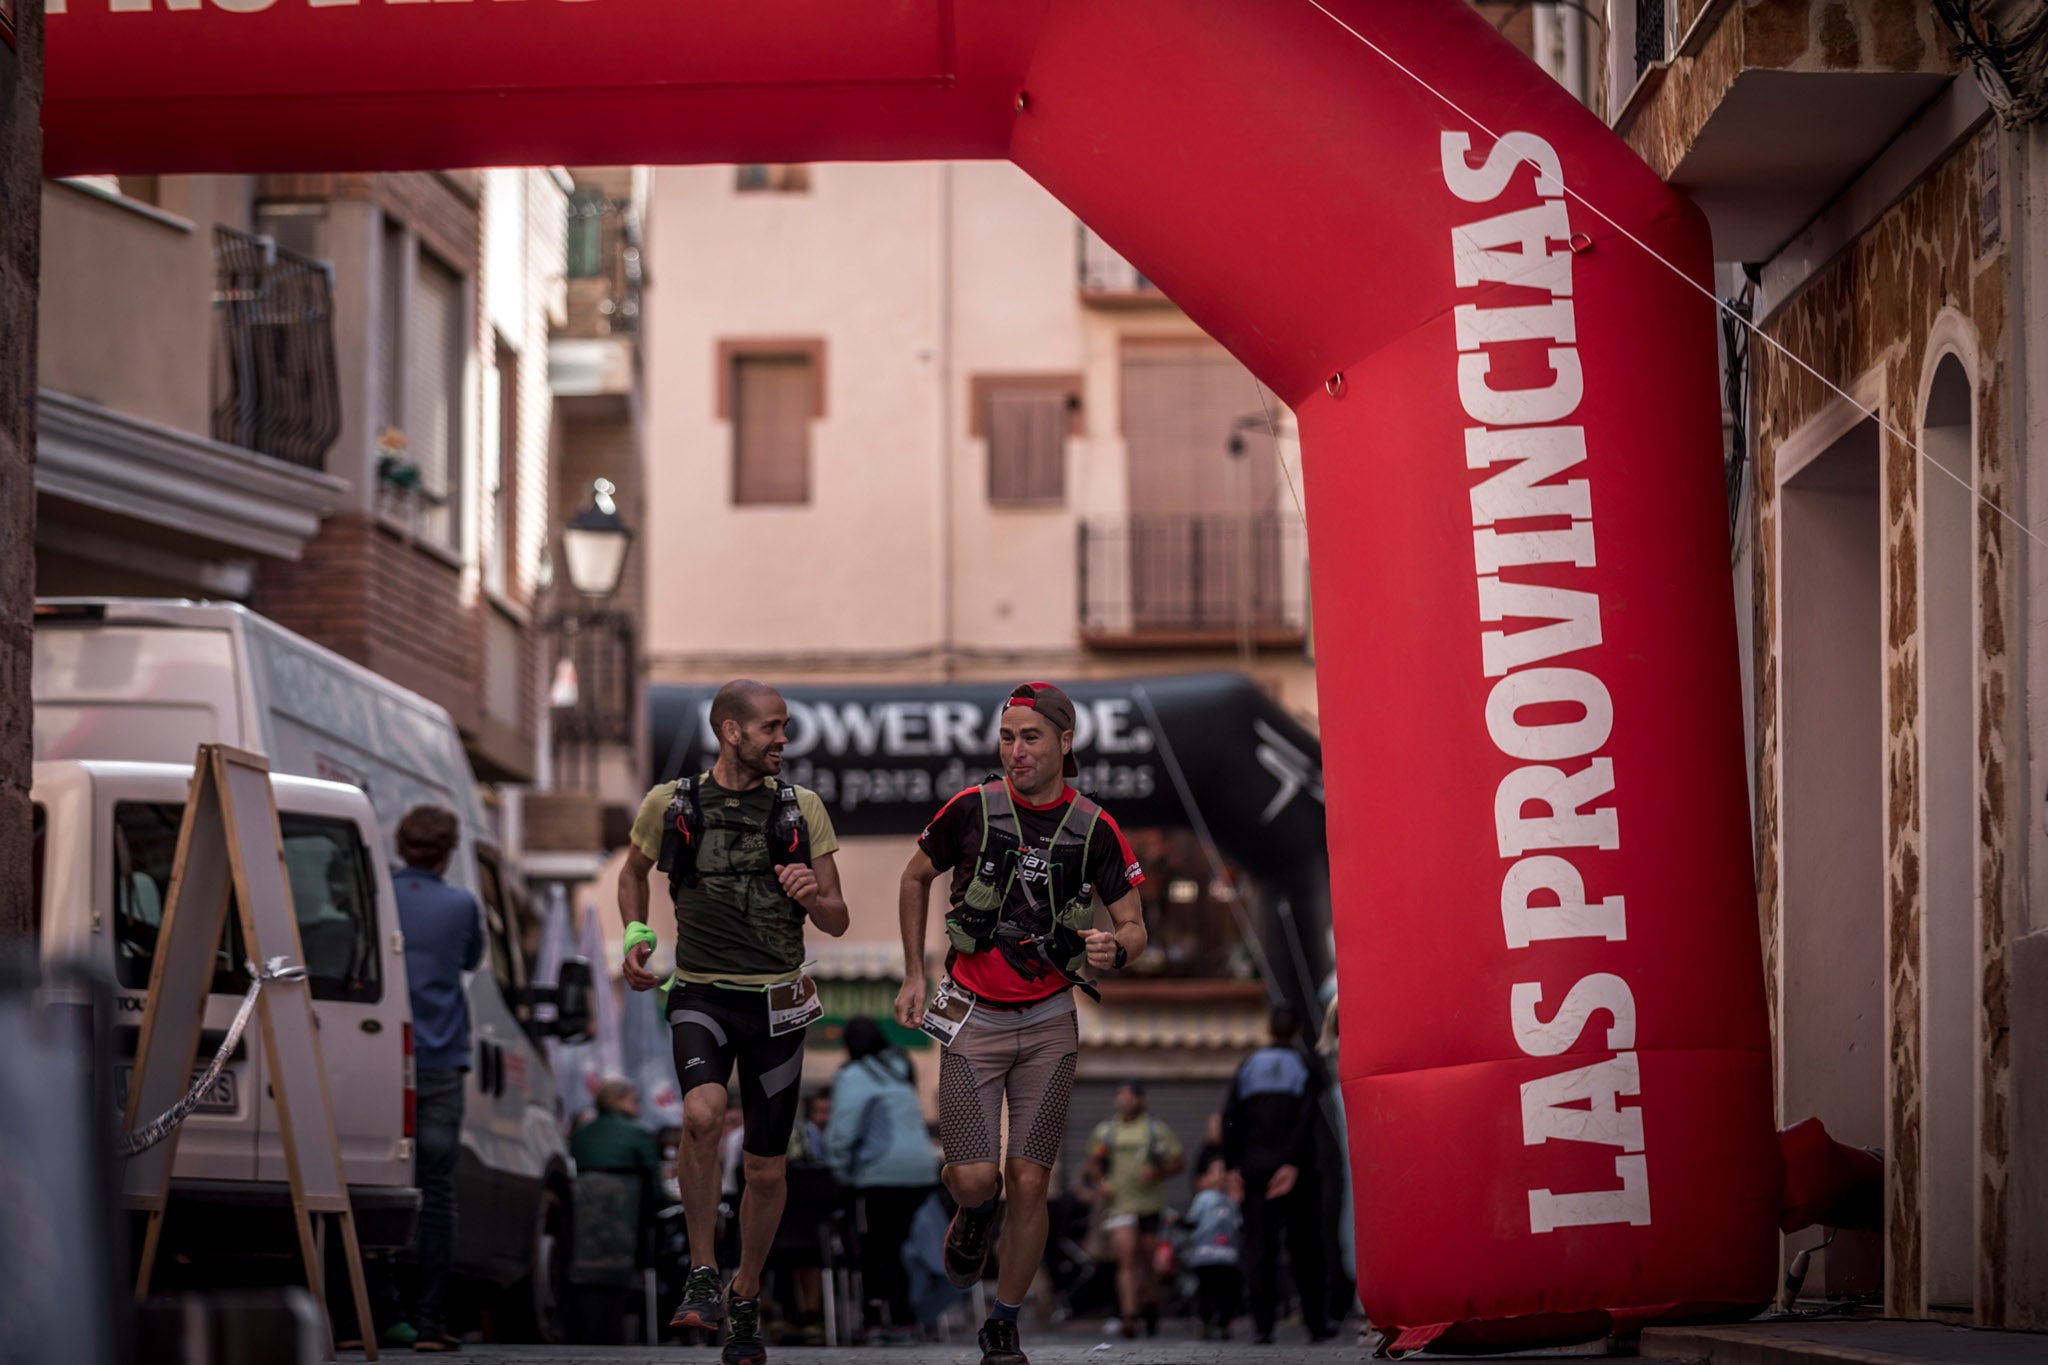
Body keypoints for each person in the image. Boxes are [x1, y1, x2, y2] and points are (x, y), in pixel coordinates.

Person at [895, 681, 1149, 1365]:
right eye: (1007, 737)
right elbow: (913, 876)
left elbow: (1134, 925)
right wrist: (916, 972)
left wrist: (1114, 946)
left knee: (1031, 1179)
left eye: (1030, 736)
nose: (1016, 750)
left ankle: (1003, 1322)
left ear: (1065, 741)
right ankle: (975, 1215)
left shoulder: (1097, 826)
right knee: (976, 1176)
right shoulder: (971, 808)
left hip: (1049, 1023)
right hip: (970, 1015)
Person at [619, 680, 849, 1365]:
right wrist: (635, 931)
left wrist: (815, 894)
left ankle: (746, 1295)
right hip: (700, 992)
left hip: (778, 1002)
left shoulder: (802, 808)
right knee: (701, 1113)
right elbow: (632, 872)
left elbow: (839, 916)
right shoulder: (672, 802)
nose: (783, 739)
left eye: (784, 728)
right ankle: (702, 1271)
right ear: (731, 731)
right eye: (772, 728)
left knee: (767, 1168)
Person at [391, 804, 483, 1354]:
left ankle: (370, 1313)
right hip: (441, 1060)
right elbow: (471, 959)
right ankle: (429, 1324)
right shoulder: (461, 905)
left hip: (377, 1059)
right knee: (438, 1193)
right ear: (448, 852)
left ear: (401, 845)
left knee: (369, 1184)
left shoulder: (377, 896)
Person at [1223, 1004, 1334, 1345]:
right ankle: (1316, 1325)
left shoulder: (1248, 1066)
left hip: (1254, 1171)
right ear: (1298, 1031)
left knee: (1259, 1250)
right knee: (1306, 1249)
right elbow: (1306, 1122)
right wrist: (1291, 1163)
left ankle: (1262, 1326)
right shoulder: (1305, 1067)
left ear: (1269, 1030)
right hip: (1295, 1172)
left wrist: (1232, 1168)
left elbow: (1231, 1118)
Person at [826, 1016, 940, 1342]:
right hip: (921, 1172)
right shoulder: (901, 1066)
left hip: (880, 1175)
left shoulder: (853, 1075)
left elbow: (843, 1132)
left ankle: (874, 1320)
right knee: (902, 1247)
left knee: (875, 1248)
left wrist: (841, 1172)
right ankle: (906, 1318)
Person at [568, 1079, 671, 1343]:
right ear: (621, 1101)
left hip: (581, 1226)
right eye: (634, 1100)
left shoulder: (580, 1133)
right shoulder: (638, 1133)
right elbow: (657, 1191)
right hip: (626, 1222)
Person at [1085, 1081, 1184, 1338]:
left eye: (1129, 1096)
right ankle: (1128, 1316)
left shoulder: (1155, 1130)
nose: (1124, 1101)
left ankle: (1150, 1306)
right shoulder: (1107, 1131)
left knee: (1148, 1262)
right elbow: (1094, 1163)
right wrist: (1101, 1182)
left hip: (1150, 1204)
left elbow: (1177, 1161)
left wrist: (1158, 1171)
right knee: (1126, 1259)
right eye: (1120, 1096)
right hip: (1120, 1205)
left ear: (1141, 1100)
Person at [1183, 1151, 1242, 1342]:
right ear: (1205, 1177)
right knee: (1206, 1291)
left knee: (1229, 1292)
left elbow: (1238, 1226)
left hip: (1228, 1255)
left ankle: (1224, 1322)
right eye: (1218, 1171)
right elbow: (1193, 1221)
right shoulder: (1203, 1198)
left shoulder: (1233, 1201)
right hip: (1205, 1255)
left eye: (1226, 1171)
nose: (1222, 1175)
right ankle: (1206, 1321)